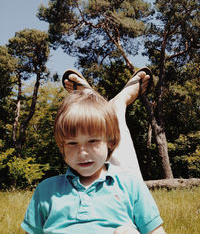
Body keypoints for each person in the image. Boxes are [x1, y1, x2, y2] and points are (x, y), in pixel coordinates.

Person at [21, 69, 166, 234]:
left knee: (125, 174)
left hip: (123, 180)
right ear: (62, 146)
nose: (82, 152)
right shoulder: (46, 191)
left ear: (111, 142)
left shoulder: (131, 186)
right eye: (72, 143)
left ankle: (110, 103)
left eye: (92, 141)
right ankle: (103, 103)